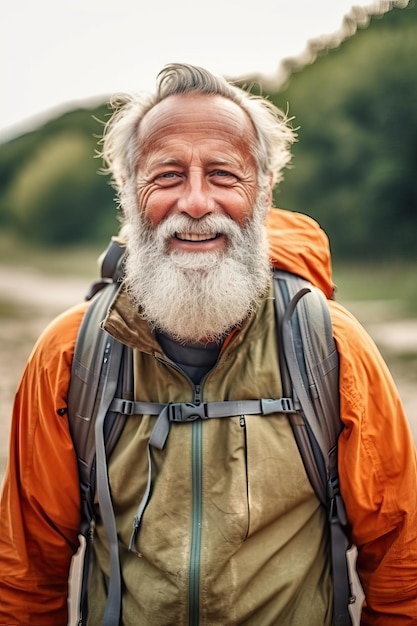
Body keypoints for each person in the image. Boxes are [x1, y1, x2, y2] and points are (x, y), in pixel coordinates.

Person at [0, 62, 416, 626]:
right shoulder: (71, 354)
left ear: (264, 190)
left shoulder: (331, 346)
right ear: (127, 190)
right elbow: (25, 580)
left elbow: (402, 567)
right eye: (167, 175)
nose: (196, 203)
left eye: (223, 174)